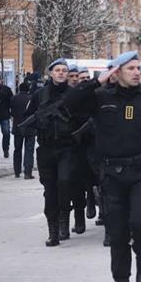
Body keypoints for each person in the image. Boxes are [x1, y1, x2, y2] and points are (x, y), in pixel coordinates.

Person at [63, 51, 141, 282]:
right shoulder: (101, 98)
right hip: (113, 175)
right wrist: (96, 82)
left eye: (138, 68)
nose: (137, 72)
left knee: (140, 221)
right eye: (130, 69)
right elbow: (69, 104)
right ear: (116, 73)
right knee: (117, 234)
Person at [25, 59, 87, 245]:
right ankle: (53, 229)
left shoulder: (74, 95)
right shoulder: (39, 95)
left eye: (64, 70)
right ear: (50, 73)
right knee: (50, 189)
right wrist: (38, 125)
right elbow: (28, 118)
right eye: (57, 70)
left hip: (68, 147)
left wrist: (77, 132)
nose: (61, 73)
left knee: (65, 182)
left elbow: (86, 118)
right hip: (46, 148)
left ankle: (64, 221)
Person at [10, 81, 35, 179]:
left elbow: (11, 112)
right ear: (28, 89)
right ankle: (27, 172)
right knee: (29, 150)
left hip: (18, 127)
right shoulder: (32, 98)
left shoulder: (14, 98)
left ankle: (17, 171)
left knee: (17, 150)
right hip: (30, 128)